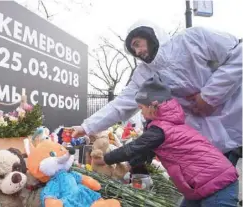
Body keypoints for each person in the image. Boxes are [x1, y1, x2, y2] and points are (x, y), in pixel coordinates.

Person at [72, 20, 242, 166]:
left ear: (150, 34)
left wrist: (209, 97)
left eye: (137, 43)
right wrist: (86, 127)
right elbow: (120, 105)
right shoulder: (144, 74)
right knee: (216, 185)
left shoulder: (193, 39)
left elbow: (239, 52)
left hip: (237, 113)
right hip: (212, 139)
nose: (137, 52)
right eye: (133, 50)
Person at [103, 74, 239, 206]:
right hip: (203, 185)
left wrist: (105, 160)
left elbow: (132, 148)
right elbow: (146, 152)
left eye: (141, 108)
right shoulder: (167, 125)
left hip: (217, 186)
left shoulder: (161, 129)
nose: (141, 113)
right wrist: (128, 165)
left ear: (152, 105)